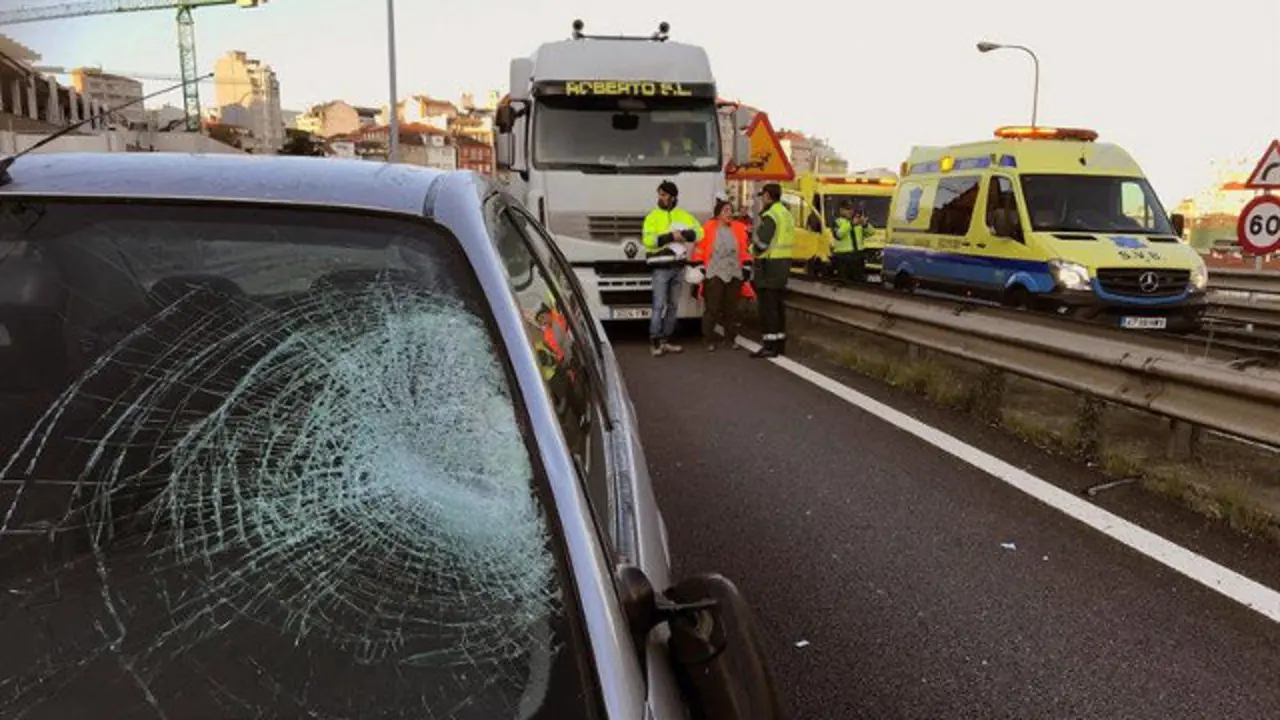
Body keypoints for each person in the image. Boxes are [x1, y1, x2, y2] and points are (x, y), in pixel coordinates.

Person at [642, 180, 703, 356]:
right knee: (658, 306)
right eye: (659, 194)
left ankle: (665, 340)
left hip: (678, 266)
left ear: (673, 197)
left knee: (673, 306)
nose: (660, 198)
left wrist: (684, 234)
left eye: (664, 195)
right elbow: (648, 240)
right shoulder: (652, 216)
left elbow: (699, 232)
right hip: (660, 268)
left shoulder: (683, 215)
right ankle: (654, 342)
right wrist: (670, 237)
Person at [691, 196, 752, 351]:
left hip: (734, 273)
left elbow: (744, 250)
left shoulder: (739, 229)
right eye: (726, 210)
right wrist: (699, 268)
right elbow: (699, 250)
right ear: (718, 214)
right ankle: (708, 339)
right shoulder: (707, 229)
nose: (729, 213)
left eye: (730, 210)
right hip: (714, 272)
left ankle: (731, 338)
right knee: (712, 308)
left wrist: (746, 266)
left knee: (731, 309)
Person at [749, 182, 795, 358]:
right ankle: (779, 344)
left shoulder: (771, 216)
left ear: (768, 196)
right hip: (782, 265)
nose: (762, 199)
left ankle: (769, 345)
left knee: (768, 308)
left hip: (769, 265)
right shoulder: (786, 214)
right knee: (777, 306)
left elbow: (761, 244)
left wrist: (750, 251)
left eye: (763, 196)